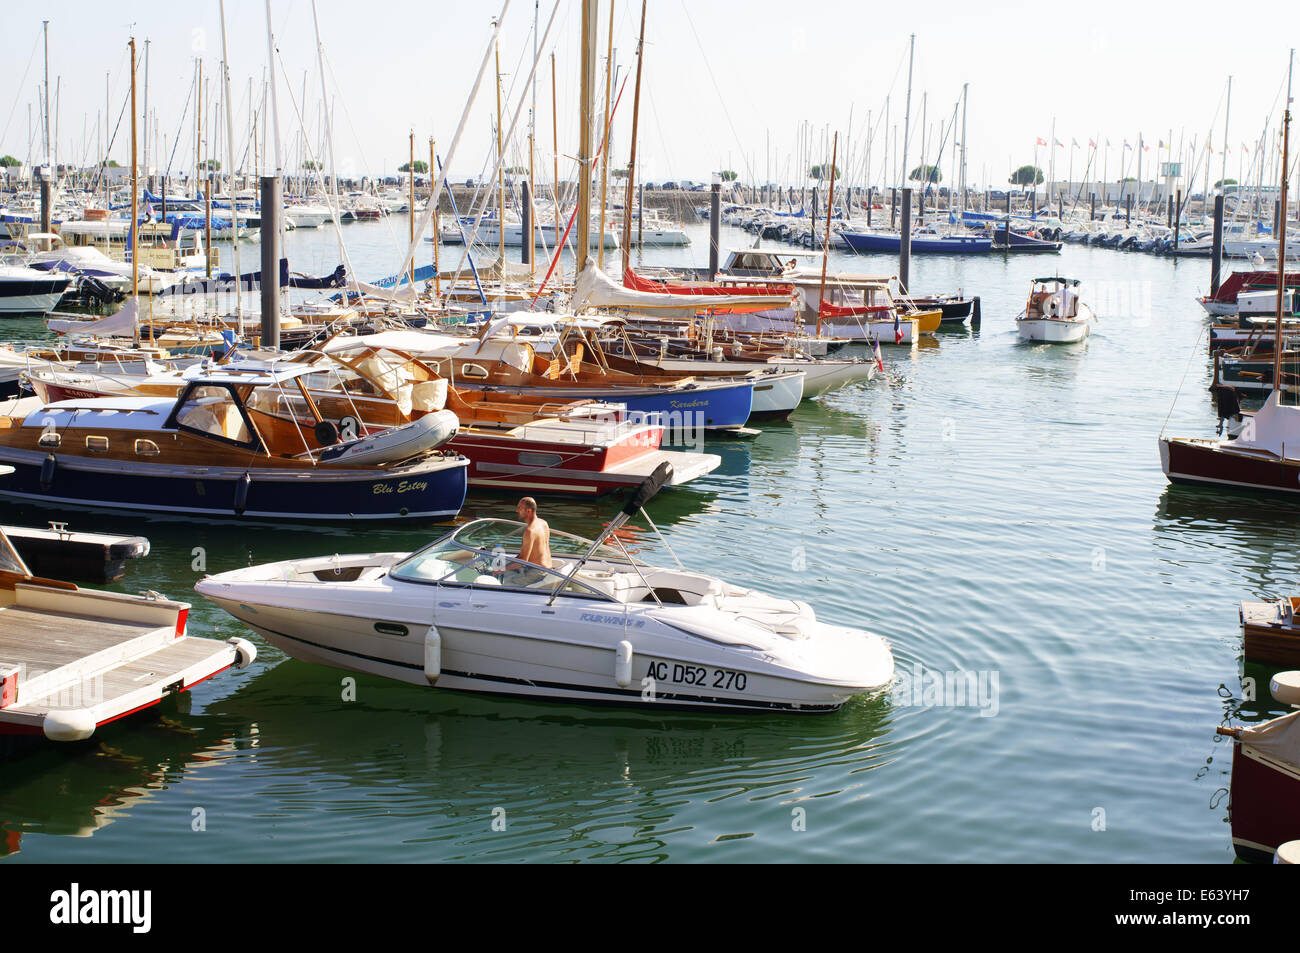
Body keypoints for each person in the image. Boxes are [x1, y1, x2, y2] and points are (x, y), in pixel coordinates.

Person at [499, 497, 552, 587]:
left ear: (528, 511)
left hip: (538, 573)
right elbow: (523, 556)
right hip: (547, 568)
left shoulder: (530, 531)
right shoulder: (543, 523)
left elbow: (523, 561)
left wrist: (499, 570)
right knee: (505, 567)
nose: (517, 510)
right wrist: (507, 565)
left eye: (519, 508)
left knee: (505, 586)